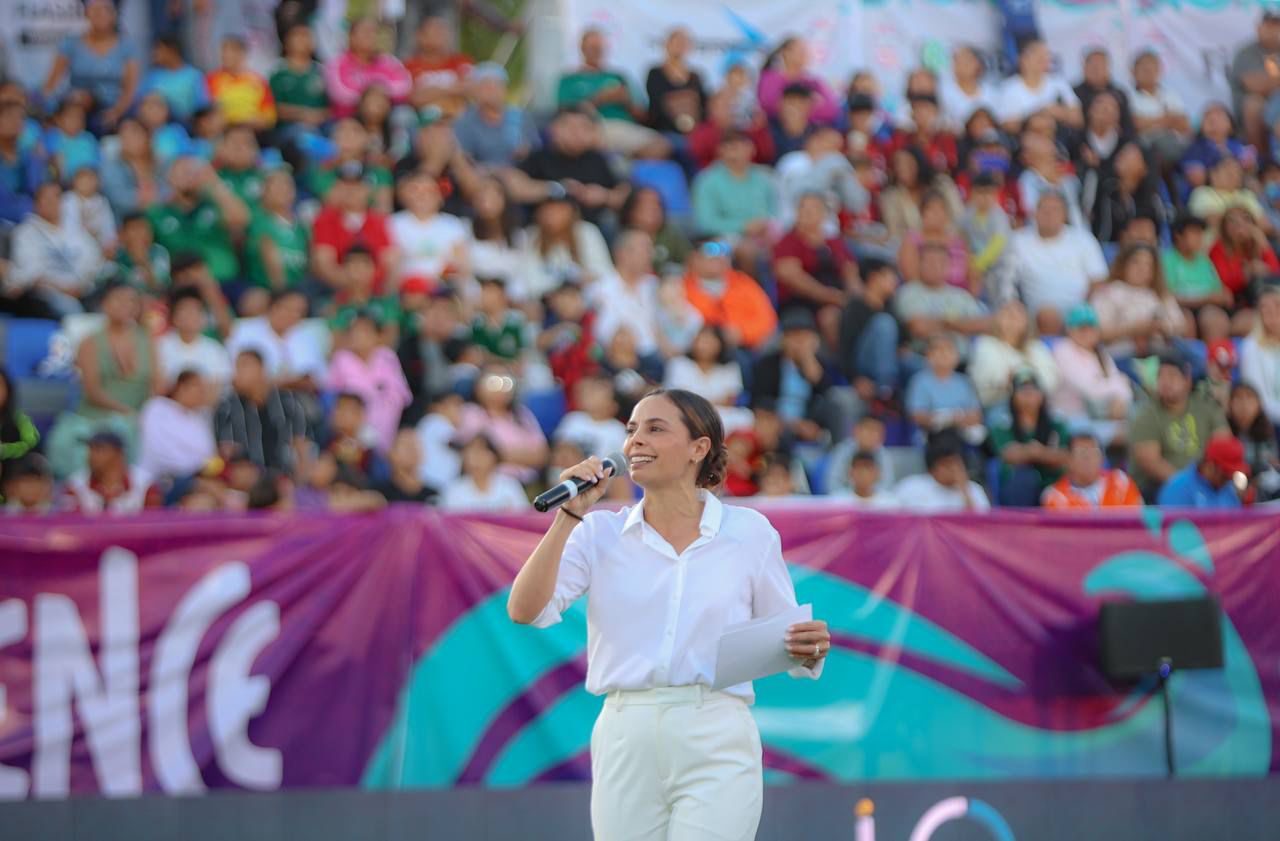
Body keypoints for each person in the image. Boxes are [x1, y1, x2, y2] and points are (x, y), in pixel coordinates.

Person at [507, 387, 827, 839]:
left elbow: (787, 636)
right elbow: (524, 610)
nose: (635, 440)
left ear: (699, 448)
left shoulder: (749, 532)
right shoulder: (598, 530)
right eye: (631, 430)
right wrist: (568, 516)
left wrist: (808, 647)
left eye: (655, 428)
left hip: (716, 728)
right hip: (625, 731)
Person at [46, 283, 160, 478]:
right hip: (97, 417)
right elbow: (93, 391)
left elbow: (157, 382)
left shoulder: (147, 339)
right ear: (104, 304)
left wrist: (147, 411)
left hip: (139, 415)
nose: (125, 305)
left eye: (131, 301)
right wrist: (127, 412)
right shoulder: (90, 342)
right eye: (118, 300)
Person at [556, 28, 669, 159]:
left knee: (662, 145)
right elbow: (563, 112)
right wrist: (600, 98)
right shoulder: (569, 79)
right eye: (592, 47)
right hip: (590, 128)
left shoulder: (619, 77)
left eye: (600, 47)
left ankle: (625, 163)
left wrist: (626, 101)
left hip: (625, 128)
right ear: (582, 48)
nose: (596, 51)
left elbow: (643, 116)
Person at [1130, 353, 1230, 499]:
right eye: (1161, 376)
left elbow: (1224, 444)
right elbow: (1150, 462)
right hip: (1161, 487)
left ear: (1187, 381)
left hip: (1207, 482)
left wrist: (1207, 481)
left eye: (1172, 376)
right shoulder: (1146, 415)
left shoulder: (1206, 407)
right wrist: (1187, 486)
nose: (1165, 382)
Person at [1008, 191, 1108, 335]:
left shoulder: (1083, 239)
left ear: (1065, 215)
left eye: (1055, 209)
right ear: (1034, 213)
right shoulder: (1018, 241)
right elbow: (1007, 279)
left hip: (1082, 307)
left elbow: (1098, 281)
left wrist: (1084, 310)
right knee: (1049, 317)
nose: (1049, 214)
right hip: (1040, 312)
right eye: (1044, 209)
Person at [148, 156, 251, 292]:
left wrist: (214, 182)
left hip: (225, 281)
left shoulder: (214, 204)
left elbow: (242, 219)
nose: (189, 176)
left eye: (193, 172)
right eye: (183, 172)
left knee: (256, 298)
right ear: (169, 177)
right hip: (182, 286)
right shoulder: (158, 213)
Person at [516, 107, 630, 228]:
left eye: (583, 127)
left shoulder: (599, 159)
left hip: (592, 228)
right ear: (553, 128)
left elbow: (624, 193)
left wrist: (604, 196)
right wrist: (557, 189)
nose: (576, 132)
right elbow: (515, 187)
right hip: (545, 228)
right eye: (568, 126)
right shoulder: (538, 157)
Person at [750, 309, 849, 443]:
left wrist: (808, 361)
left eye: (804, 337)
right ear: (783, 339)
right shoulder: (768, 364)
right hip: (778, 424)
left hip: (812, 424)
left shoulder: (824, 364)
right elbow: (760, 402)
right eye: (793, 337)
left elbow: (829, 394)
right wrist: (795, 425)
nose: (799, 343)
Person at [41, 0, 140, 132]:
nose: (101, 15)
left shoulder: (126, 46)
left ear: (114, 15)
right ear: (86, 13)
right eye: (96, 11)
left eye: (106, 10)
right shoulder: (71, 43)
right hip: (78, 108)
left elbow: (130, 88)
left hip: (114, 109)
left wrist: (116, 112)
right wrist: (50, 109)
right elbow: (51, 83)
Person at [772, 192, 860, 341]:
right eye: (802, 208)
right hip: (801, 302)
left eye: (812, 209)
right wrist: (831, 297)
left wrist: (855, 295)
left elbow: (850, 270)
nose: (805, 213)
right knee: (830, 317)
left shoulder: (834, 242)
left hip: (839, 297)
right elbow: (792, 277)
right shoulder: (788, 242)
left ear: (823, 214)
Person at [6, 181, 102, 317]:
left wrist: (81, 287)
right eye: (46, 198)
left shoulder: (77, 230)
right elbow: (31, 274)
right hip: (46, 295)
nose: (52, 202)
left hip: (82, 292)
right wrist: (62, 289)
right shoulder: (25, 232)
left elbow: (94, 261)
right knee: (69, 307)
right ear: (36, 203)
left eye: (56, 197)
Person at [214, 349, 311, 473]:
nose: (238, 373)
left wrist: (300, 476)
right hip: (246, 477)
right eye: (236, 368)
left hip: (285, 475)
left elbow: (302, 445)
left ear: (261, 369)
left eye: (244, 366)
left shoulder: (287, 402)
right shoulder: (227, 407)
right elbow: (226, 452)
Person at [327, 312, 412, 453]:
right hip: (351, 428)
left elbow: (401, 395)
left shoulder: (387, 356)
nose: (359, 336)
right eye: (355, 331)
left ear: (377, 335)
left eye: (365, 331)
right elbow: (331, 396)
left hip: (386, 426)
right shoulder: (341, 359)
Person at [1050, 303, 1133, 447]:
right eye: (1081, 328)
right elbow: (1090, 390)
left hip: (1101, 417)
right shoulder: (1063, 349)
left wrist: (1120, 399)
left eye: (1091, 327)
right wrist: (1117, 386)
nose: (1087, 332)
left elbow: (1125, 389)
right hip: (1071, 418)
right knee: (1128, 435)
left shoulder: (1100, 353)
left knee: (1138, 426)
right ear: (1070, 330)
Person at [456, 364, 549, 484]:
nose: (500, 388)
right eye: (493, 381)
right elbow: (477, 455)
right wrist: (522, 455)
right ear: (478, 386)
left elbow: (542, 455)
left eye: (506, 381)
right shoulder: (472, 413)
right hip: (491, 485)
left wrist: (501, 454)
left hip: (528, 484)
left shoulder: (522, 414)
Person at [895, 243, 989, 361]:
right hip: (922, 360)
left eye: (941, 262)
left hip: (961, 359)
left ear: (948, 266)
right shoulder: (908, 292)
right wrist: (959, 324)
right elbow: (918, 327)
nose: (936, 266)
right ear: (919, 264)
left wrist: (940, 323)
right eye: (930, 262)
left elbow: (982, 324)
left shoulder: (961, 295)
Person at [1090, 244, 1186, 360]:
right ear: (1123, 264)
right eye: (1136, 262)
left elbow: (1180, 326)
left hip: (1161, 352)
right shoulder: (1109, 291)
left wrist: (1161, 327)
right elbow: (1099, 332)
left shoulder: (1161, 294)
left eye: (1148, 264)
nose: (1141, 268)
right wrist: (1135, 329)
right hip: (1121, 353)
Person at [989, 370, 1070, 506]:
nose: (1028, 394)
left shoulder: (1056, 422)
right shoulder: (1003, 423)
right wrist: (1042, 453)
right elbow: (1008, 454)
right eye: (1023, 390)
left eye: (1033, 389)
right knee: (1025, 477)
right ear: (1013, 396)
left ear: (1041, 395)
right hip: (1018, 483)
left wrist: (1035, 452)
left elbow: (1066, 456)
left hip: (1051, 480)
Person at [682, 238, 777, 352]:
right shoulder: (681, 286)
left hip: (746, 348)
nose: (719, 256)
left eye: (724, 250)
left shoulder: (743, 282)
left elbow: (766, 319)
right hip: (697, 350)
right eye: (711, 250)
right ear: (694, 258)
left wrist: (742, 333)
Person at [775, 125, 869, 232]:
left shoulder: (834, 167)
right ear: (814, 141)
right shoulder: (795, 161)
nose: (835, 151)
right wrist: (829, 165)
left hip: (828, 232)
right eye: (831, 144)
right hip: (793, 229)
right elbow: (799, 194)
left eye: (838, 147)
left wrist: (846, 177)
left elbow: (857, 204)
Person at [836, 258, 904, 402]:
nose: (895, 281)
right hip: (863, 365)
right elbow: (845, 348)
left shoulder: (890, 306)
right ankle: (885, 390)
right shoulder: (855, 307)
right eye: (890, 276)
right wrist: (855, 378)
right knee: (884, 323)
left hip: (890, 361)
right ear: (874, 277)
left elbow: (904, 341)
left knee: (918, 365)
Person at [664, 325, 752, 434]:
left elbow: (730, 399)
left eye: (709, 342)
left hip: (718, 413)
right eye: (700, 340)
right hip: (686, 412)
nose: (703, 346)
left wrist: (702, 404)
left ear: (720, 344)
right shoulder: (679, 364)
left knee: (746, 417)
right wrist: (706, 403)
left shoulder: (730, 367)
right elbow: (676, 396)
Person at [691, 131, 777, 240]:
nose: (733, 154)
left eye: (737, 148)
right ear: (720, 151)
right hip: (723, 239)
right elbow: (705, 223)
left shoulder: (765, 177)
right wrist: (743, 226)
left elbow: (777, 212)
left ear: (751, 149)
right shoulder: (706, 180)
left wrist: (765, 225)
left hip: (764, 236)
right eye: (728, 148)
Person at [389, 170, 472, 283]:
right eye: (415, 189)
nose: (422, 195)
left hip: (443, 287)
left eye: (428, 190)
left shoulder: (453, 225)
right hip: (405, 287)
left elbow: (461, 264)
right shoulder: (393, 224)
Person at [453, 63, 539, 170]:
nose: (492, 91)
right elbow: (463, 159)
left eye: (497, 85)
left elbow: (536, 149)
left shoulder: (520, 116)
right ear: (475, 91)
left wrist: (527, 150)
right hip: (483, 175)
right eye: (486, 86)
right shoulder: (465, 121)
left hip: (522, 172)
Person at [325, 18, 411, 120]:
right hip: (349, 118)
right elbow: (341, 93)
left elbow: (404, 86)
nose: (370, 36)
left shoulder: (389, 61)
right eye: (365, 31)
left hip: (385, 119)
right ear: (351, 36)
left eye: (374, 32)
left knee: (404, 114)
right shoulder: (337, 63)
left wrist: (377, 93)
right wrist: (371, 95)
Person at [138, 370, 217, 481]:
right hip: (158, 479)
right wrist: (195, 467)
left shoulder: (199, 419)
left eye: (203, 389)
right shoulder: (157, 407)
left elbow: (209, 453)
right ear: (181, 387)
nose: (202, 392)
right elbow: (158, 450)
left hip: (196, 477)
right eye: (198, 386)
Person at [905, 335, 984, 442]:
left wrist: (960, 420)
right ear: (928, 356)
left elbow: (976, 414)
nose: (944, 354)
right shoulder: (920, 381)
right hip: (932, 433)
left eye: (949, 350)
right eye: (938, 350)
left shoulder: (964, 381)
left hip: (961, 432)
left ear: (957, 356)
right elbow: (916, 415)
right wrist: (944, 419)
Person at [157, 288, 232, 399]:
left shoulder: (215, 349)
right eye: (186, 310)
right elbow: (159, 384)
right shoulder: (160, 345)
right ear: (174, 317)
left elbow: (221, 385)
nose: (191, 315)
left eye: (197, 311)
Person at [62, 431, 162, 514]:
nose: (91, 455)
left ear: (119, 454)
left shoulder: (145, 483)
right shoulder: (75, 484)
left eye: (99, 449)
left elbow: (153, 524)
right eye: (90, 449)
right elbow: (70, 524)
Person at [1162, 214, 1230, 335]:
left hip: (1208, 310)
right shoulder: (1166, 261)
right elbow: (1169, 297)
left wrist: (1224, 296)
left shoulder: (1205, 261)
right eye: (1195, 233)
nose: (1200, 238)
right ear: (1178, 236)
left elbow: (1218, 291)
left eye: (1201, 233)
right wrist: (1204, 299)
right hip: (1181, 309)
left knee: (1215, 317)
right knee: (1185, 318)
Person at [893, 428, 991, 512]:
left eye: (957, 463)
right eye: (947, 464)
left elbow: (981, 523)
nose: (953, 469)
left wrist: (965, 491)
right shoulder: (911, 486)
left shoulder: (974, 489)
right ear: (932, 469)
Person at [1041, 432, 1143, 509]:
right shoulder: (1054, 495)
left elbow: (1139, 520)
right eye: (1082, 453)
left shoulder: (1120, 482)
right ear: (1069, 460)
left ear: (1102, 458)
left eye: (1093, 452)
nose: (1088, 458)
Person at [757, 36, 841, 125]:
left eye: (806, 51)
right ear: (785, 52)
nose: (805, 54)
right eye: (800, 50)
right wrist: (810, 105)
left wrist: (797, 111)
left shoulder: (814, 82)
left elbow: (832, 109)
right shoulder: (771, 77)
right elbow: (769, 104)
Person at [1129, 51, 1191, 169]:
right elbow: (1135, 124)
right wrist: (1167, 119)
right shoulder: (1129, 96)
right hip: (1147, 146)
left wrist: (1151, 121)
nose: (1149, 72)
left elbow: (1184, 124)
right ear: (1134, 72)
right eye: (1144, 69)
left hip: (1177, 143)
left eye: (1152, 68)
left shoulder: (1171, 95)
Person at [439, 432, 530, 511]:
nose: (475, 460)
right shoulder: (455, 490)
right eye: (471, 454)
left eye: (481, 453)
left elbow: (523, 517)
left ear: (494, 457)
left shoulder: (509, 485)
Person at [1229, 10, 1280, 150]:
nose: (1273, 31)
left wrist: (1272, 82)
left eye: (1276, 26)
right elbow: (1255, 85)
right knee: (1254, 103)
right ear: (1258, 28)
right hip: (1256, 110)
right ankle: (1260, 158)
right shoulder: (1246, 53)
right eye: (1268, 26)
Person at [405, 15, 474, 116]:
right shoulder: (409, 66)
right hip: (422, 119)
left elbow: (470, 88)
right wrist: (453, 89)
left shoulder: (462, 61)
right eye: (436, 32)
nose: (442, 36)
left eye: (444, 32)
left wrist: (430, 92)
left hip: (458, 116)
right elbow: (415, 98)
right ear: (420, 37)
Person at [99, 118, 166, 222]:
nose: (129, 139)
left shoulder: (160, 162)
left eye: (134, 133)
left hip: (160, 219)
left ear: (147, 136)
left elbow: (170, 190)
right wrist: (144, 198)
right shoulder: (111, 165)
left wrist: (155, 198)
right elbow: (117, 198)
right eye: (124, 136)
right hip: (125, 221)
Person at [645, 28, 706, 138]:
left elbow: (703, 104)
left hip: (694, 132)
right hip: (664, 131)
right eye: (676, 42)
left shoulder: (695, 76)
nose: (680, 46)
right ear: (667, 45)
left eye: (683, 43)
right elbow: (657, 104)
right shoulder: (655, 73)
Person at [1157, 436, 1250, 508]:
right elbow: (1171, 526)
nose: (1229, 478)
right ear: (1210, 466)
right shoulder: (1178, 488)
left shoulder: (1230, 490)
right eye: (1225, 474)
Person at [206, 36, 276, 130]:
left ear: (242, 53)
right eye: (224, 51)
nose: (226, 55)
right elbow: (208, 116)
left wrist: (241, 121)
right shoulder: (211, 80)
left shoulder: (258, 82)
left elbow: (269, 118)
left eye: (232, 50)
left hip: (252, 132)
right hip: (222, 132)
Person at [620, 186, 692, 275]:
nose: (653, 210)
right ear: (631, 210)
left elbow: (690, 262)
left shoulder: (671, 235)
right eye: (646, 205)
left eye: (657, 205)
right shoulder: (623, 236)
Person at [141, 34, 210, 124]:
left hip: (189, 125)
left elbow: (202, 107)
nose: (155, 54)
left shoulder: (194, 76)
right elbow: (143, 103)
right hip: (159, 126)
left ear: (172, 50)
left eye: (160, 49)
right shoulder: (153, 76)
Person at [554, 375, 627, 458]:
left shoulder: (618, 431)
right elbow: (558, 449)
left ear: (613, 407)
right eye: (594, 392)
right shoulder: (573, 419)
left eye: (601, 394)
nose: (593, 396)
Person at [1240, 287, 1280, 424]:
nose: (1271, 312)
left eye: (1277, 305)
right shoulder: (1251, 347)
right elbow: (1257, 399)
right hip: (1270, 422)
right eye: (1264, 308)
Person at [377, 428, 438, 504]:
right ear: (391, 453)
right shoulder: (377, 496)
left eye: (416, 444)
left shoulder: (433, 496)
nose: (413, 449)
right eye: (406, 446)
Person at [0, 371, 39, 464]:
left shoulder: (21, 420)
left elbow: (31, 445)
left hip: (15, 468)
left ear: (8, 389)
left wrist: (4, 450)